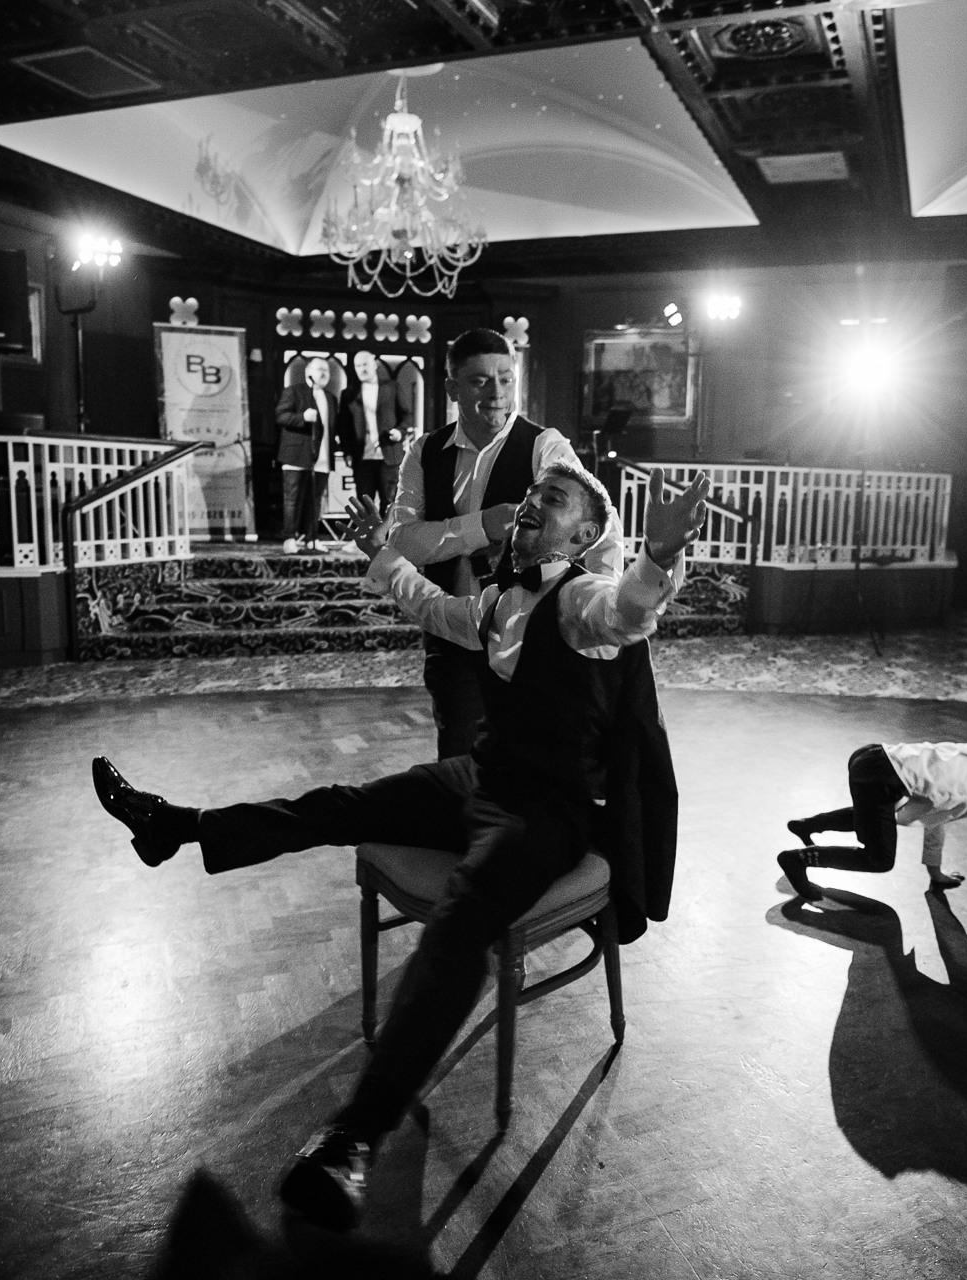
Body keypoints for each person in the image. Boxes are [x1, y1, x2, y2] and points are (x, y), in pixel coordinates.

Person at [90, 462, 711, 1233]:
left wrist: (658, 556)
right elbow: (426, 601)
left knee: (459, 926)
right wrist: (382, 551)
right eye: (527, 501)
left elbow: (627, 611)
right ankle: (175, 826)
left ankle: (353, 1141)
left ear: (586, 534)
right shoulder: (494, 603)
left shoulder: (583, 599)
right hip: (482, 776)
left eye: (550, 503)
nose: (527, 512)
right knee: (342, 806)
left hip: (545, 813)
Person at [388, 327, 622, 759]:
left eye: (505, 378)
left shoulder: (543, 446)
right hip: (453, 631)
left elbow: (601, 531)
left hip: (527, 633)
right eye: (479, 380)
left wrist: (597, 615)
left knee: (530, 758)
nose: (496, 392)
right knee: (458, 757)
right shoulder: (424, 452)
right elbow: (402, 540)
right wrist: (481, 526)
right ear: (452, 387)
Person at [778, 703, 967, 898]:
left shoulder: (965, 754)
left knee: (887, 816)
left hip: (874, 756)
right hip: (883, 776)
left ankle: (808, 825)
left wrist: (935, 873)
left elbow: (935, 818)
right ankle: (797, 859)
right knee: (879, 858)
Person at [275, 357, 337, 554]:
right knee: (292, 499)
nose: (324, 373)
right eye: (320, 369)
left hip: (323, 456)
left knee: (316, 500)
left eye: (327, 370)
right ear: (308, 371)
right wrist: (302, 418)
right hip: (296, 454)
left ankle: (312, 538)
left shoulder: (330, 397)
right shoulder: (294, 391)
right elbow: (280, 415)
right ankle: (289, 538)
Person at [343, 351, 411, 517]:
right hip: (362, 456)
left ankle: (388, 540)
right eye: (358, 366)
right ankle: (367, 540)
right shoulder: (349, 393)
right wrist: (347, 451)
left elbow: (407, 415)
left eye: (365, 364)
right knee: (364, 502)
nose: (361, 369)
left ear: (374, 364)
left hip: (389, 454)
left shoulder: (392, 387)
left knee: (390, 501)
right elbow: (343, 426)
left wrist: (399, 432)